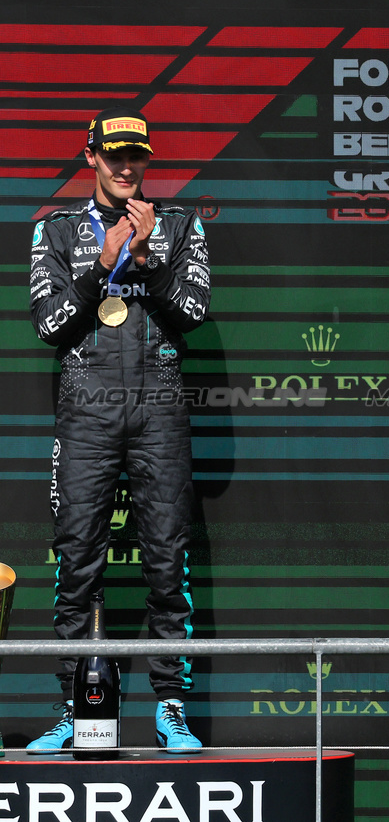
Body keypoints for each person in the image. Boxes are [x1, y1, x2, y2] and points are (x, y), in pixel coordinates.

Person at [27, 107, 210, 753]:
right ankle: (75, 710)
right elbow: (47, 325)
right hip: (86, 412)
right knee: (77, 562)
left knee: (167, 559)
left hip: (159, 410)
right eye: (115, 156)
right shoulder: (54, 229)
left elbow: (191, 311)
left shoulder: (182, 225)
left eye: (138, 157)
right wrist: (97, 266)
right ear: (91, 157)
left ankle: (170, 707)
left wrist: (147, 258)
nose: (127, 167)